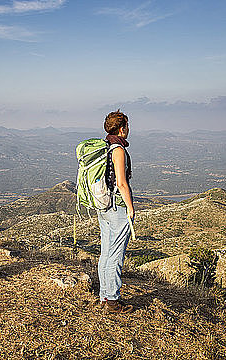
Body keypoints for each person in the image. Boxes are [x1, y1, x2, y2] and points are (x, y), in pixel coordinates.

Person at [96, 110, 134, 314]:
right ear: (121, 128)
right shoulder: (118, 150)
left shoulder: (105, 147)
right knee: (116, 255)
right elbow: (121, 182)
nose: (129, 129)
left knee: (106, 252)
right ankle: (112, 300)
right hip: (117, 207)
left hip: (104, 205)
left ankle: (104, 295)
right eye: (127, 125)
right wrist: (130, 207)